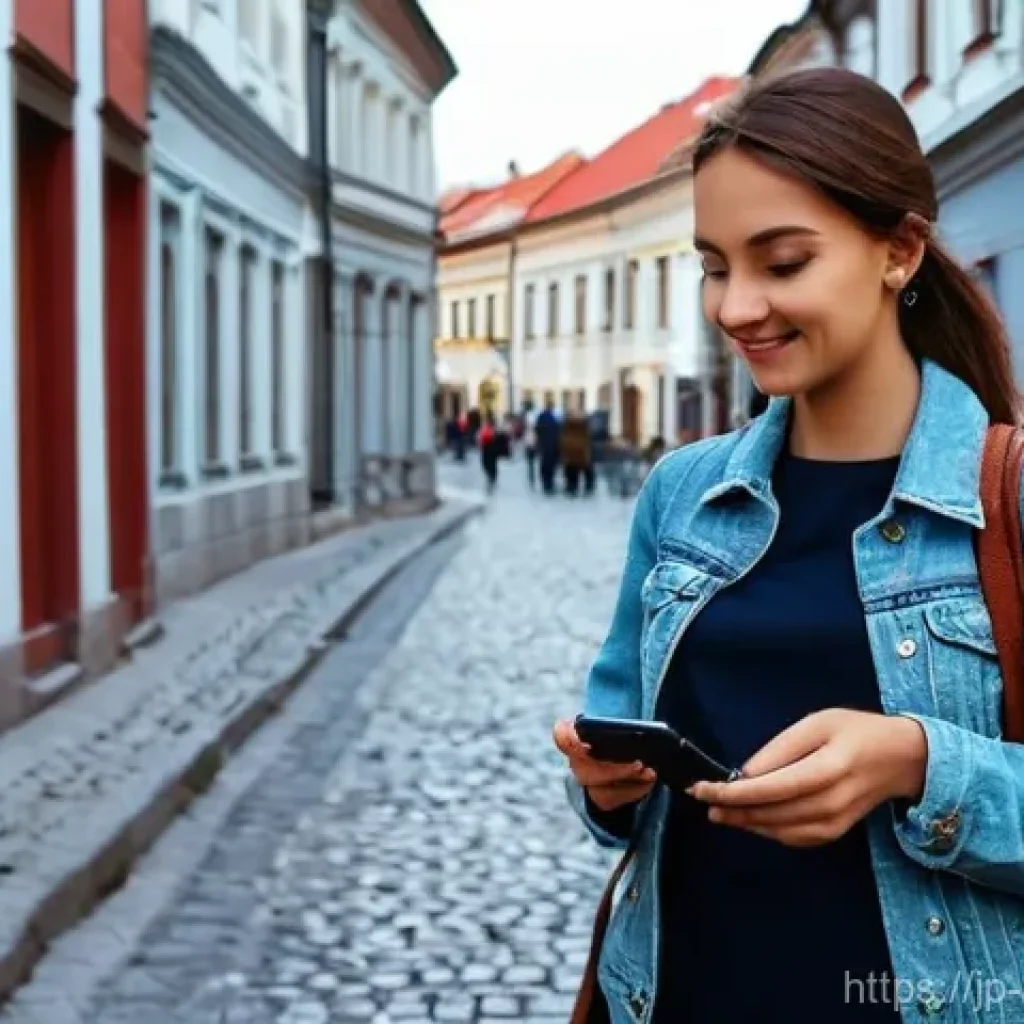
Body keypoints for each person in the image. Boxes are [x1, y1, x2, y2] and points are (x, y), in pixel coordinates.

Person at [553, 66, 1022, 1023]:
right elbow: (618, 790)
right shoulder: (681, 494)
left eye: (783, 262)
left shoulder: (1008, 496)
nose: (734, 308)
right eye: (715, 267)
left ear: (899, 251)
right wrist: (605, 787)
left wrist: (916, 762)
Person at [534, 398, 561, 495]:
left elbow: (537, 429)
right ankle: (548, 483)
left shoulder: (543, 416)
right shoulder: (552, 418)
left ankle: (547, 483)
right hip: (551, 445)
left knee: (547, 465)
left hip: (547, 445)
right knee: (549, 465)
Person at [478, 413, 500, 494]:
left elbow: (497, 439)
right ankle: (491, 476)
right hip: (485, 448)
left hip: (491, 448)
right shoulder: (484, 429)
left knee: (492, 464)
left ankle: (492, 477)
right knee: (486, 463)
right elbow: (480, 438)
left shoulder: (493, 429)